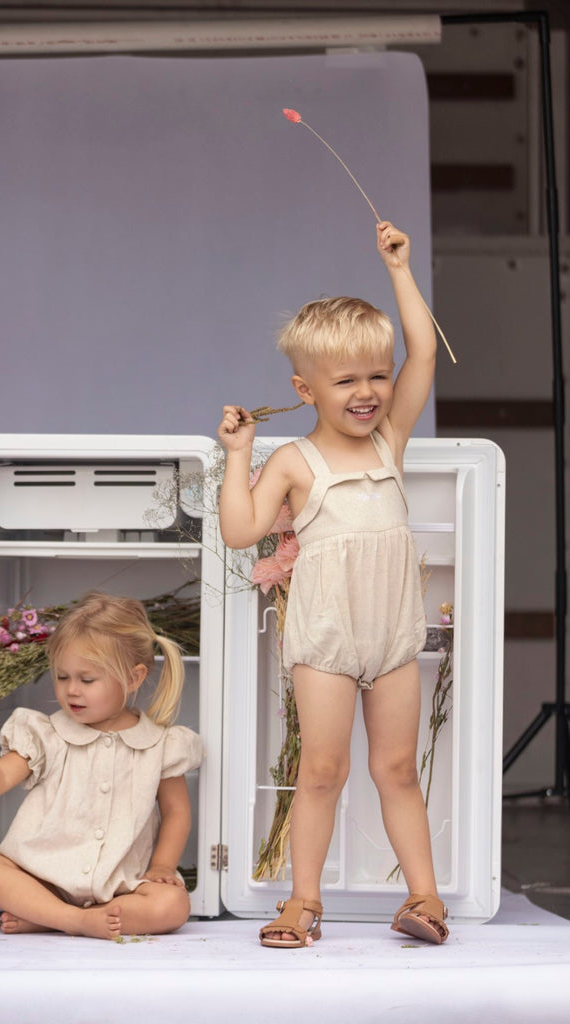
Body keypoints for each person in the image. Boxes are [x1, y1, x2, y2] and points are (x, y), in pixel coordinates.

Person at [218, 221, 448, 948]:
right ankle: (303, 902)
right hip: (325, 638)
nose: (367, 392)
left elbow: (424, 351)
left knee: (396, 768)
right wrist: (238, 454)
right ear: (305, 389)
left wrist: (400, 270)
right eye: (345, 380)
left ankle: (425, 899)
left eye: (376, 375)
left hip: (391, 635)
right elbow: (240, 530)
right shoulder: (294, 459)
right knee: (320, 769)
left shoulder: (390, 439)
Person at [0, 591, 204, 940]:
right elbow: (3, 771)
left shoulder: (160, 745)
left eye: (87, 680)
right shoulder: (48, 734)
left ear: (133, 678)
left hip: (118, 887)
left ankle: (50, 918)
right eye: (62, 677)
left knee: (173, 905)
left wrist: (162, 866)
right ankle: (71, 918)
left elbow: (176, 811)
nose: (71, 690)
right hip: (42, 879)